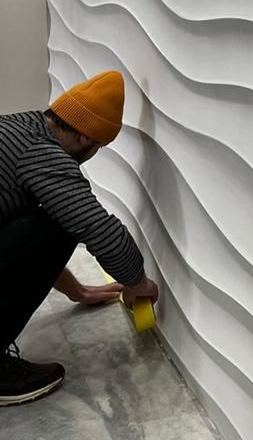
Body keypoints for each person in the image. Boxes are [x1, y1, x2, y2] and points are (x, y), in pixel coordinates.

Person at [0, 70, 159, 405]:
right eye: (99, 146)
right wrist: (137, 283)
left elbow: (19, 244)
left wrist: (76, 290)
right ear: (86, 139)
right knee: (59, 225)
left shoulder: (18, 127)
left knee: (50, 220)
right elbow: (100, 229)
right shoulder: (43, 155)